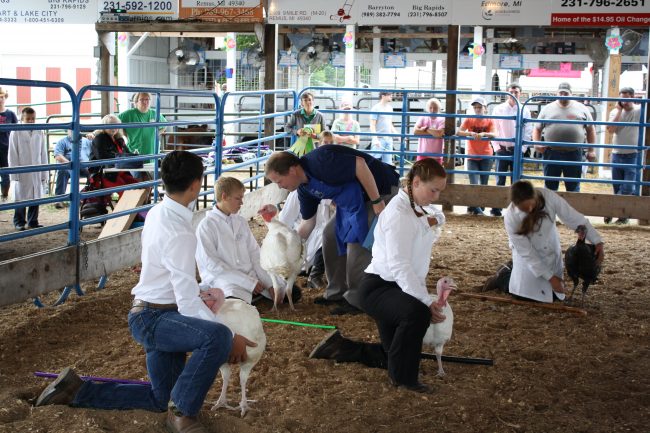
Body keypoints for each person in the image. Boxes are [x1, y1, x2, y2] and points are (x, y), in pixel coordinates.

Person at [35, 151, 256, 433]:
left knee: (158, 397)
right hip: (157, 317)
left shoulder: (159, 212)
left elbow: (173, 279)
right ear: (196, 185)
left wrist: (201, 290)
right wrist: (230, 337)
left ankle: (76, 391)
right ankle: (182, 414)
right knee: (218, 337)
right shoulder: (180, 230)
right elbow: (187, 303)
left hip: (153, 311)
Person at [309, 158, 448, 393]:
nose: (435, 196)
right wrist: (425, 300)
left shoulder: (413, 206)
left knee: (393, 351)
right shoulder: (399, 214)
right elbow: (399, 264)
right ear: (415, 183)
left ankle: (341, 348)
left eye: (439, 191)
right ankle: (404, 380)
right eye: (433, 190)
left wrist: (435, 218)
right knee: (417, 315)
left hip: (393, 286)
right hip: (379, 288)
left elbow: (434, 216)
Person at [265, 145, 400, 315]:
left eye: (279, 181)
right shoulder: (304, 189)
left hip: (380, 190)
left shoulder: (320, 161)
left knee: (357, 240)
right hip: (352, 202)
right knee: (329, 235)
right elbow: (308, 222)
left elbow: (360, 164)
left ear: (292, 170)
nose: (279, 187)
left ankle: (356, 299)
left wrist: (377, 200)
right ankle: (336, 292)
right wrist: (290, 248)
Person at [196, 176, 301, 305]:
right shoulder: (206, 226)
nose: (241, 203)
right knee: (235, 301)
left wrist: (269, 283)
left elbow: (255, 254)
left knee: (293, 293)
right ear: (224, 196)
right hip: (225, 278)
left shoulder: (240, 221)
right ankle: (248, 297)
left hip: (250, 275)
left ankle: (257, 295)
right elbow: (213, 265)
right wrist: (247, 283)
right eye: (238, 198)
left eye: (242, 198)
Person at [504, 180, 604, 303]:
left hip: (551, 254)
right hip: (528, 264)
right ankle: (503, 274)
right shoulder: (510, 217)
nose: (530, 210)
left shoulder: (549, 197)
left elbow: (573, 218)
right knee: (527, 297)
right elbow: (527, 252)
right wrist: (551, 278)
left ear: (535, 196)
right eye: (524, 208)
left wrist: (597, 241)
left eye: (531, 205)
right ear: (515, 204)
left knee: (555, 296)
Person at [532, 82, 596, 192]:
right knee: (550, 186)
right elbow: (537, 128)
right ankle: (550, 209)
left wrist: (591, 150)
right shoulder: (547, 108)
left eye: (566, 93)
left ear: (571, 94)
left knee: (573, 186)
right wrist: (537, 144)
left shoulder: (581, 108)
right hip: (552, 152)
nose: (563, 95)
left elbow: (590, 129)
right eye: (561, 93)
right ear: (557, 93)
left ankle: (571, 209)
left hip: (574, 152)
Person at [491, 83, 533, 216]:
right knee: (500, 179)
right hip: (502, 148)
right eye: (511, 92)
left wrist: (523, 148)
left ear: (520, 94)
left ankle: (516, 210)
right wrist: (496, 146)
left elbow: (528, 130)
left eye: (516, 92)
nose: (514, 94)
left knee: (517, 182)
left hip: (517, 149)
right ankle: (496, 208)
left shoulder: (524, 110)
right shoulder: (499, 109)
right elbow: (494, 128)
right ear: (507, 93)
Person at [604, 87, 642, 225]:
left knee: (628, 188)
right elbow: (610, 129)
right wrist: (619, 111)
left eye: (627, 97)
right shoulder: (615, 112)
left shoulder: (639, 110)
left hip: (632, 154)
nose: (625, 101)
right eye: (622, 98)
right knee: (617, 187)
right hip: (616, 153)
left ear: (633, 97)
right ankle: (622, 216)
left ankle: (611, 210)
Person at [8, 107, 47, 231]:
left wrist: (44, 173)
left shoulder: (39, 131)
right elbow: (12, 154)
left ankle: (33, 221)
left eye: (33, 119)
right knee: (21, 196)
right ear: (21, 119)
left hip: (37, 168)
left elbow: (43, 153)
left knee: (36, 195)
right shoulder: (16, 131)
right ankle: (19, 221)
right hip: (21, 169)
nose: (31, 121)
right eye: (28, 119)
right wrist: (14, 174)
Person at [457, 96, 496, 215]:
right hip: (472, 155)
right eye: (475, 107)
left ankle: (478, 207)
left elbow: (494, 133)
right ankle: (478, 209)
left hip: (486, 155)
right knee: (474, 182)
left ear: (485, 108)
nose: (477, 109)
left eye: (479, 107)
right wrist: (470, 133)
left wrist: (484, 133)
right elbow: (459, 131)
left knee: (483, 183)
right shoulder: (469, 119)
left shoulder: (489, 120)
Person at [90, 115, 139, 197]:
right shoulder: (99, 138)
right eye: (111, 125)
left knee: (140, 187)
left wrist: (135, 156)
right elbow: (102, 156)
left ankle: (139, 208)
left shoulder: (119, 139)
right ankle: (128, 209)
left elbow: (127, 153)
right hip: (106, 174)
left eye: (116, 125)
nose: (114, 128)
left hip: (121, 172)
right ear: (104, 126)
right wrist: (122, 157)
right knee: (125, 191)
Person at [118, 92, 167, 157]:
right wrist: (124, 134)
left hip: (152, 149)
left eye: (147, 99)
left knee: (152, 165)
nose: (145, 102)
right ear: (136, 101)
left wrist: (156, 133)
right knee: (136, 165)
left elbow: (165, 125)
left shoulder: (155, 113)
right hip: (134, 149)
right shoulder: (128, 114)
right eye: (142, 99)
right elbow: (115, 121)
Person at [53, 130, 92, 208]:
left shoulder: (86, 141)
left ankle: (87, 197)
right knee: (62, 171)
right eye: (71, 130)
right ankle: (59, 199)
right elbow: (58, 155)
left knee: (93, 172)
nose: (74, 131)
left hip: (84, 165)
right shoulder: (62, 141)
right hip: (69, 166)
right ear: (68, 131)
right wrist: (70, 163)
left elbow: (94, 149)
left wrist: (93, 136)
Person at [413, 97, 445, 163]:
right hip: (422, 153)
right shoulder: (423, 117)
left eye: (435, 108)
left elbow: (439, 134)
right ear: (427, 108)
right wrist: (434, 132)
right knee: (421, 173)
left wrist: (426, 129)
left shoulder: (442, 119)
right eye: (430, 108)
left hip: (437, 154)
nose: (433, 110)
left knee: (435, 173)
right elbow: (415, 131)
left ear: (439, 108)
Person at [0, 86, 18, 201]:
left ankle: (4, 196)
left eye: (2, 97)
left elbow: (17, 131)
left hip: (6, 148)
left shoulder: (10, 114)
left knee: (6, 174)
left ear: (5, 97)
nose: (0, 99)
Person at [369, 92, 398, 164]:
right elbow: (372, 125)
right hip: (379, 138)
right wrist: (375, 139)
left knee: (388, 163)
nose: (391, 96)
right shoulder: (375, 108)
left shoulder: (390, 108)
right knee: (373, 161)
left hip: (389, 138)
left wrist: (397, 134)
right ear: (383, 96)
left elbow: (389, 123)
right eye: (389, 94)